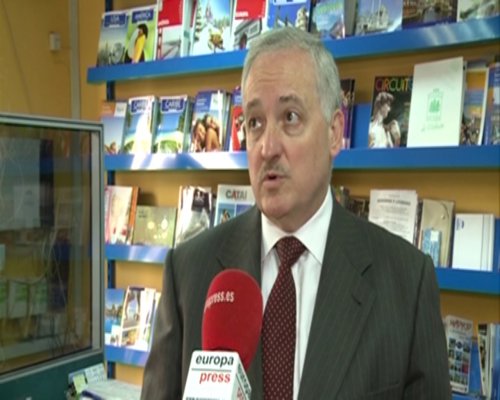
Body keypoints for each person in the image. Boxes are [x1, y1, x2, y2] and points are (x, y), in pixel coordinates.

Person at [141, 27, 451, 399]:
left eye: (290, 117)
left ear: (334, 132)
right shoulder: (188, 273)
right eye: (255, 122)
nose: (267, 147)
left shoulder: (407, 282)